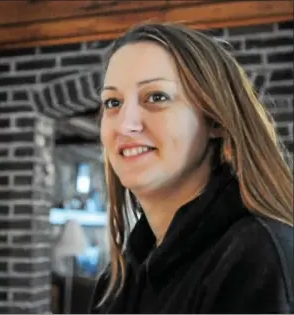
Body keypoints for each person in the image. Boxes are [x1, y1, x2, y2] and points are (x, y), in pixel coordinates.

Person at [89, 22, 294, 314]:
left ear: (215, 120)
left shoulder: (257, 257)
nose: (126, 124)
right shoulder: (118, 279)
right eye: (113, 102)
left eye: (157, 97)